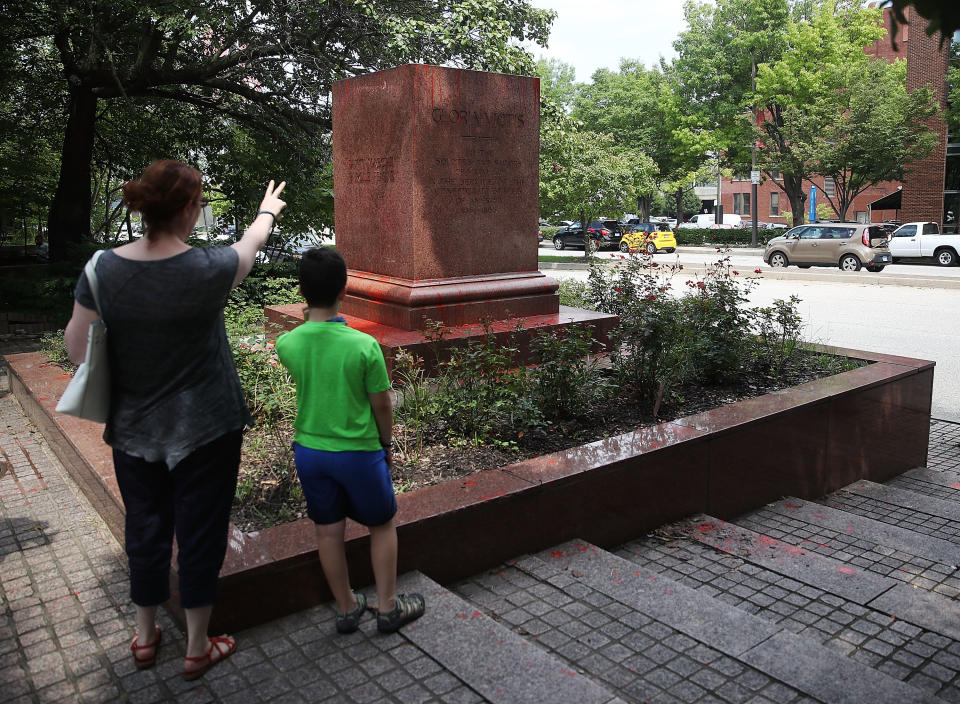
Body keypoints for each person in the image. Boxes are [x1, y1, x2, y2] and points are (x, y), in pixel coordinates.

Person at [63, 160, 286, 680]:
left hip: (135, 430)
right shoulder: (209, 269)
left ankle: (144, 638)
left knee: (145, 529)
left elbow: (78, 347)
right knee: (201, 534)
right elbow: (251, 245)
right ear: (190, 209)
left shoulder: (101, 268)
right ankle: (197, 646)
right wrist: (265, 212)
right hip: (208, 428)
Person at [276, 248, 425, 635]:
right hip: (359, 453)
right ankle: (389, 607)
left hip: (310, 452)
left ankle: (346, 607)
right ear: (345, 289)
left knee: (327, 530)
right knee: (382, 524)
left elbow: (310, 343)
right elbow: (382, 406)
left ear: (301, 290)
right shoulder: (364, 346)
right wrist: (386, 444)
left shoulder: (288, 344)